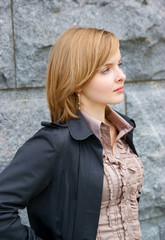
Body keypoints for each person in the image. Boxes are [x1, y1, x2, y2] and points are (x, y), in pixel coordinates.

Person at [0, 26, 144, 240]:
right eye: (106, 69)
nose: (121, 76)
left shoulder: (124, 130)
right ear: (77, 81)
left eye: (119, 65)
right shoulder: (53, 143)